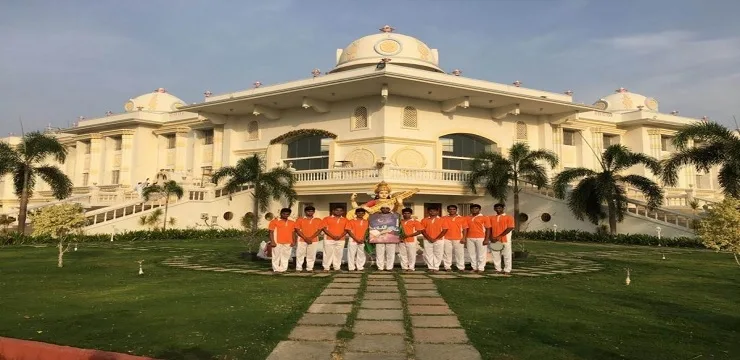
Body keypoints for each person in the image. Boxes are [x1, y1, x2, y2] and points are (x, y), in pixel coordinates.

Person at [294, 206, 323, 272]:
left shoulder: (318, 220)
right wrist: (305, 238)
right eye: (308, 211)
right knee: (300, 254)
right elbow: (297, 230)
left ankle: (309, 268)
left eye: (312, 211)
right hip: (302, 239)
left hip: (314, 240)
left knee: (311, 254)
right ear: (305, 212)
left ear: (314, 212)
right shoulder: (300, 219)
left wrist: (311, 238)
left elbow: (319, 230)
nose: (310, 212)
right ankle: (298, 268)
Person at [268, 208, 296, 273]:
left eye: (287, 214)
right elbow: (271, 232)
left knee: (286, 256)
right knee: (276, 256)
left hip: (288, 242)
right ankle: (276, 269)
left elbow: (293, 232)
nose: (286, 215)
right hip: (277, 241)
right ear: (281, 213)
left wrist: (294, 241)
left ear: (289, 214)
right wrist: (272, 241)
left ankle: (283, 269)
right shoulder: (274, 221)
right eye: (284, 214)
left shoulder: (292, 222)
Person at [490, 203, 515, 275]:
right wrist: (491, 237)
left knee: (506, 254)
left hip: (505, 239)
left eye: (500, 208)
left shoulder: (509, 217)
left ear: (503, 208)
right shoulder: (492, 218)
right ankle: (498, 269)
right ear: (494, 209)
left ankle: (507, 270)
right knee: (496, 254)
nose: (498, 209)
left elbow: (510, 227)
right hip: (494, 239)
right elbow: (490, 228)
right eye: (496, 208)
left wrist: (500, 236)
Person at [442, 205, 468, 272]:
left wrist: (464, 238)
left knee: (459, 253)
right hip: (446, 238)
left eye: (453, 209)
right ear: (447, 210)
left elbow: (465, 229)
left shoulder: (462, 218)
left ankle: (461, 267)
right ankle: (447, 267)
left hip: (458, 238)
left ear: (456, 210)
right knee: (447, 253)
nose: (452, 210)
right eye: (450, 209)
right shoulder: (443, 218)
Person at [466, 204, 491, 272]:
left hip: (481, 238)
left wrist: (486, 239)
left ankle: (481, 268)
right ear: (470, 209)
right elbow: (466, 228)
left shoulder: (484, 217)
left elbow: (488, 229)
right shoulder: (467, 217)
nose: (474, 210)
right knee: (471, 254)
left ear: (479, 209)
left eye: (476, 208)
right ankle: (474, 267)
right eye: (473, 208)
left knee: (481, 254)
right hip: (469, 237)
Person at [421, 206, 447, 272]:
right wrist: (429, 238)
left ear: (437, 212)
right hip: (427, 239)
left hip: (439, 240)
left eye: (434, 211)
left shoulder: (442, 220)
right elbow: (422, 230)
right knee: (428, 253)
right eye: (431, 211)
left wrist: (436, 238)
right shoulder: (424, 220)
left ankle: (436, 267)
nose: (432, 212)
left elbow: (444, 230)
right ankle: (430, 267)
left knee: (438, 253)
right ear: (428, 212)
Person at [322, 206, 348, 272]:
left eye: (340, 210)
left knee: (338, 253)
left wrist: (340, 236)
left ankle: (337, 267)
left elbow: (346, 229)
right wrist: (332, 236)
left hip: (341, 239)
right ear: (333, 211)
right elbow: (324, 228)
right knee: (327, 253)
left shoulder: (345, 220)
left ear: (343, 212)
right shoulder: (327, 218)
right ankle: (326, 268)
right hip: (329, 239)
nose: (338, 212)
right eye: (337, 210)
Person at [374, 206, 398, 271]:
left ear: (389, 209)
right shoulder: (376, 216)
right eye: (383, 208)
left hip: (391, 237)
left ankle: (389, 267)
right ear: (380, 209)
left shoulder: (394, 216)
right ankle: (380, 267)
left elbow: (396, 226)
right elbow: (373, 225)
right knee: (379, 253)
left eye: (387, 208)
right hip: (379, 238)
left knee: (390, 253)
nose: (385, 209)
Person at [399, 208, 424, 272]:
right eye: (405, 213)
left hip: (411, 240)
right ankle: (404, 267)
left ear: (411, 214)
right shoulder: (400, 221)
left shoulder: (415, 221)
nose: (406, 214)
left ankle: (411, 267)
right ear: (402, 214)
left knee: (411, 254)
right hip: (401, 240)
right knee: (402, 254)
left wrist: (408, 235)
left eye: (408, 213)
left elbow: (419, 232)